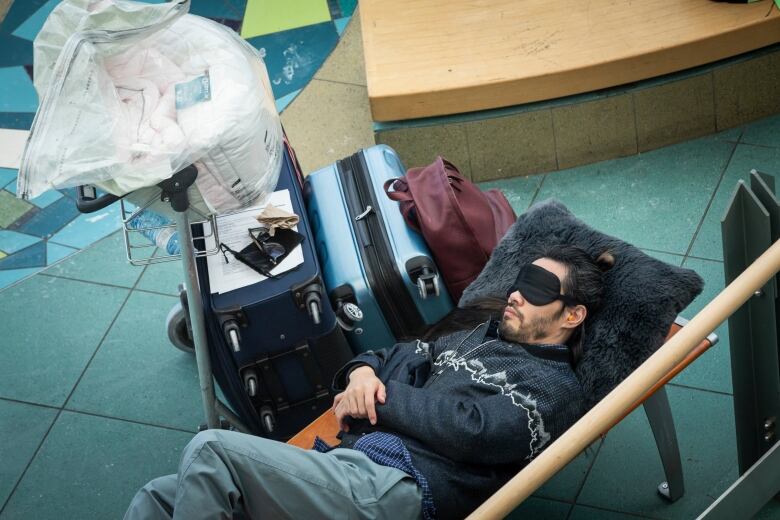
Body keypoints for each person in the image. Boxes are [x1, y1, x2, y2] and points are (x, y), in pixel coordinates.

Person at [124, 244, 613, 520]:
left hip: (398, 491)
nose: (515, 295)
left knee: (212, 452)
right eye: (521, 281)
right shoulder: (476, 337)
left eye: (537, 290)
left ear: (572, 314)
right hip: (346, 468)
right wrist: (361, 373)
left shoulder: (554, 387)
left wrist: (383, 396)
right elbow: (393, 355)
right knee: (157, 498)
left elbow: (473, 430)